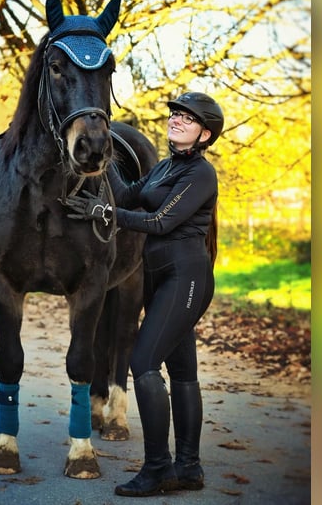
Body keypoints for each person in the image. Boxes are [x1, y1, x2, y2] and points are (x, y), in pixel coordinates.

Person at [64, 91, 224, 497]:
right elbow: (128, 191)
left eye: (187, 119)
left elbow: (159, 221)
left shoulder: (201, 175)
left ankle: (158, 469)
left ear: (205, 134)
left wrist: (105, 213)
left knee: (144, 362)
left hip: (185, 277)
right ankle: (189, 467)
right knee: (184, 372)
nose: (176, 121)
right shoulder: (167, 167)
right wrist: (104, 144)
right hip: (159, 277)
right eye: (175, 116)